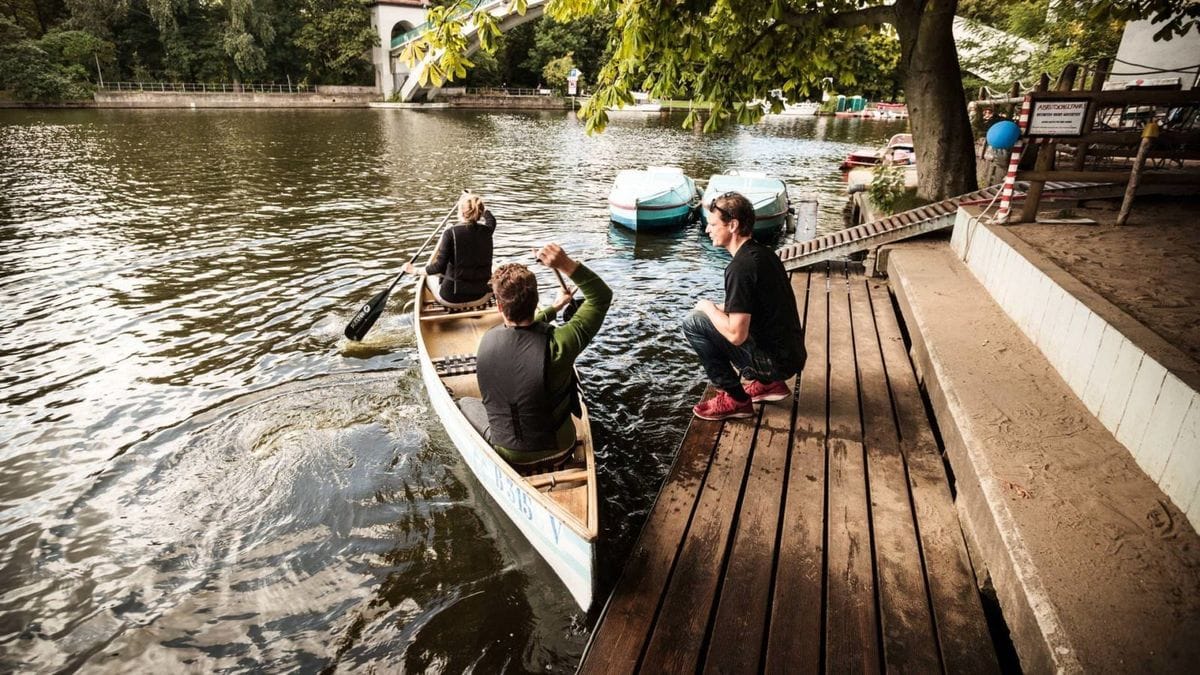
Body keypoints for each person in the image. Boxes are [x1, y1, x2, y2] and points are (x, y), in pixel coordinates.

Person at [458, 243, 612, 466]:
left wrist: (555, 308)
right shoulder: (561, 344)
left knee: (465, 402)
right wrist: (565, 264)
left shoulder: (487, 340)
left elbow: (521, 333)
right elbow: (601, 296)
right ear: (535, 301)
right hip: (561, 449)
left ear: (500, 307)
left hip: (507, 453)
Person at [684, 191, 806, 420]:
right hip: (791, 356)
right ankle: (768, 385)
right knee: (710, 315)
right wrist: (718, 308)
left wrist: (708, 307)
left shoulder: (740, 268)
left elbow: (736, 335)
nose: (707, 230)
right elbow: (753, 306)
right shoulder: (763, 254)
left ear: (732, 225)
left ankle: (736, 399)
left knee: (693, 323)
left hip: (774, 364)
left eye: (712, 224)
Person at [405, 193, 495, 307]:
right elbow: (491, 220)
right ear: (479, 211)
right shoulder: (488, 231)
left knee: (429, 276)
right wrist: (478, 204)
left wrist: (414, 270)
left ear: (461, 212)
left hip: (451, 298)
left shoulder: (449, 233)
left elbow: (438, 267)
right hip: (481, 296)